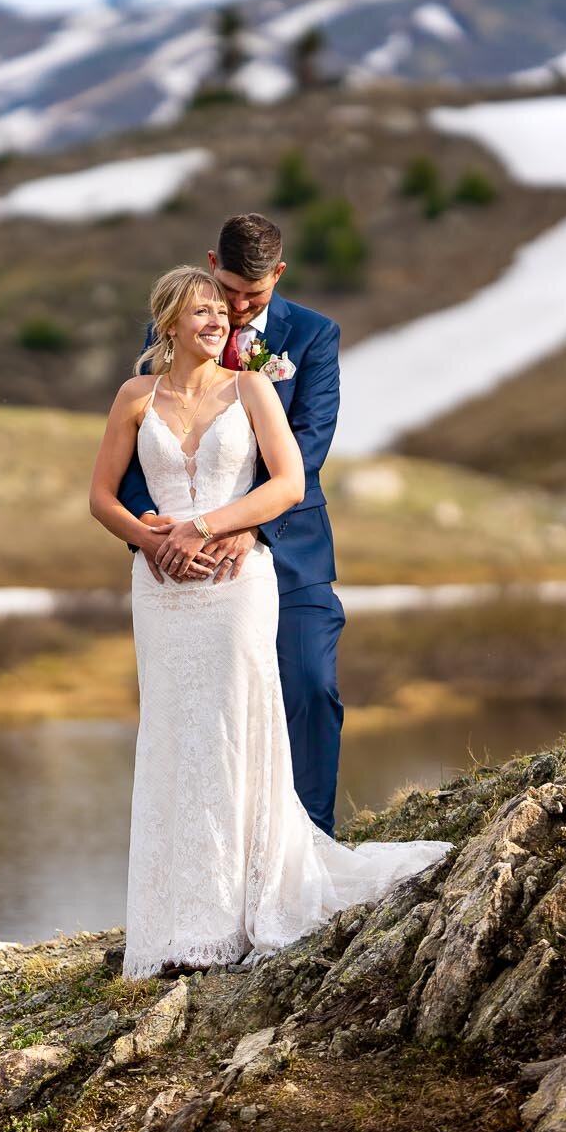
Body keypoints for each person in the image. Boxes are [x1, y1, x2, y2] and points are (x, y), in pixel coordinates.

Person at [88, 263, 449, 980]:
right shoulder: (134, 397)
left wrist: (212, 525)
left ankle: (239, 905)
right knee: (174, 733)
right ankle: (175, 921)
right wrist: (152, 536)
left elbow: (287, 482)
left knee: (233, 728)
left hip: (234, 581)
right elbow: (101, 497)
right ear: (168, 323)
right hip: (161, 590)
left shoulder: (252, 386)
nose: (217, 322)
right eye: (201, 313)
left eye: (221, 312)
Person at [117, 213, 350, 834]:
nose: (239, 309)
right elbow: (145, 446)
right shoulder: (173, 328)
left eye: (256, 295)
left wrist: (244, 526)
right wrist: (150, 529)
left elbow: (310, 444)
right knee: (204, 712)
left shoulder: (315, 336)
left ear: (279, 274)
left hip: (287, 546)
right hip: (184, 564)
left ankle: (309, 843)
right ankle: (221, 853)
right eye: (229, 292)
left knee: (308, 686)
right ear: (210, 264)